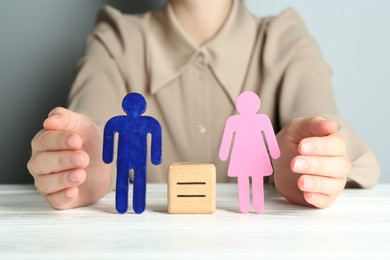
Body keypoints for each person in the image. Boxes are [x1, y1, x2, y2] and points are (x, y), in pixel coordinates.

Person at [27, 0, 380, 211]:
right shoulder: (115, 42)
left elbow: (326, 127)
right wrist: (83, 165)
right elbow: (97, 138)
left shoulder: (287, 43)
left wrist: (314, 161)